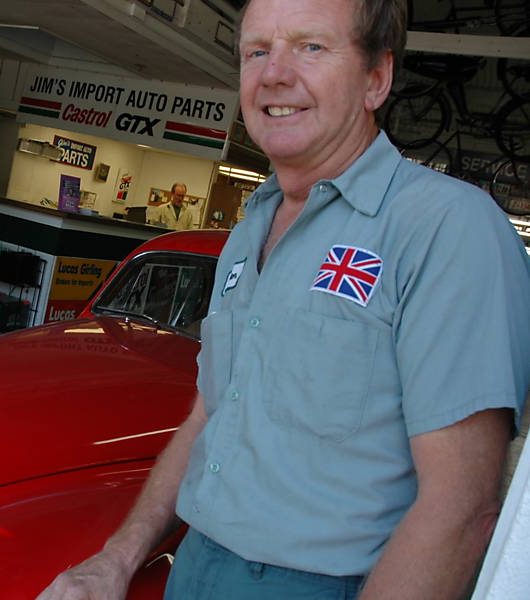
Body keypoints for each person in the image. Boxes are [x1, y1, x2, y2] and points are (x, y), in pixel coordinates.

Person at [37, 0, 530, 598]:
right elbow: (208, 416)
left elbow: (459, 508)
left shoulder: (445, 226)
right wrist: (119, 556)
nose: (274, 73)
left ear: (377, 78)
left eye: (311, 47)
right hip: (193, 564)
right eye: (257, 51)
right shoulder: (249, 228)